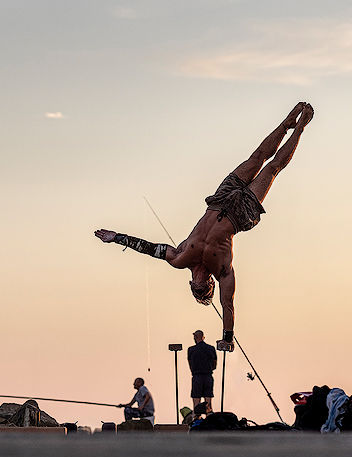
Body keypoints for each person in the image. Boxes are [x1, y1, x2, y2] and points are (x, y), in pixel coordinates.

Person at [95, 102, 314, 350]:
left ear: (192, 285)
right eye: (205, 290)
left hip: (220, 199)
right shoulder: (222, 272)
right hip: (241, 213)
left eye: (199, 290)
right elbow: (228, 305)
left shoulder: (179, 258)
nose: (202, 285)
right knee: (273, 168)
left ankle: (286, 123)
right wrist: (228, 338)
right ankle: (301, 128)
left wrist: (117, 238)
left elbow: (149, 248)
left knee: (256, 158)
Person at [188, 330, 217, 409]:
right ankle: (209, 417)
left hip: (197, 377)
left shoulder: (191, 350)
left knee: (196, 402)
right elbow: (214, 364)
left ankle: (197, 417)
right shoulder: (211, 348)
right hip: (208, 376)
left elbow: (190, 364)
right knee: (208, 402)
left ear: (196, 337)